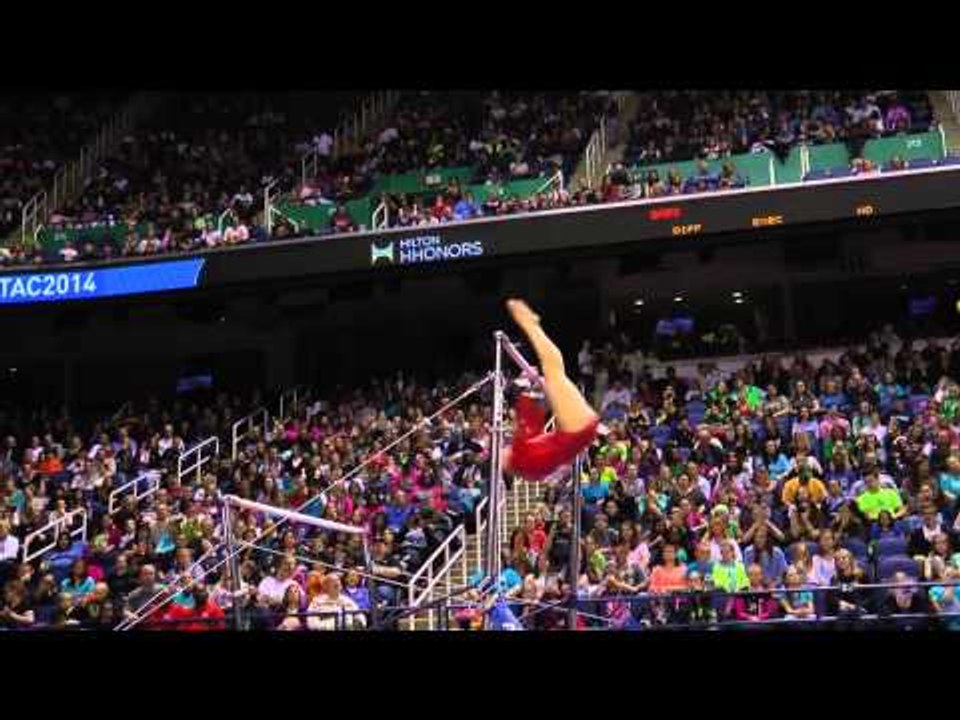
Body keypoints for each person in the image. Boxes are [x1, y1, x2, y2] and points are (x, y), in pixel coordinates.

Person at [502, 300, 600, 480]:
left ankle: (531, 325)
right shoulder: (519, 458)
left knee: (553, 374)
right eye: (500, 455)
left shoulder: (528, 466)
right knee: (553, 370)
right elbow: (531, 419)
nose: (501, 450)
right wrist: (523, 397)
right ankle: (530, 324)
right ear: (506, 465)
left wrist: (534, 394)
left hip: (575, 433)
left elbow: (535, 427)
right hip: (575, 431)